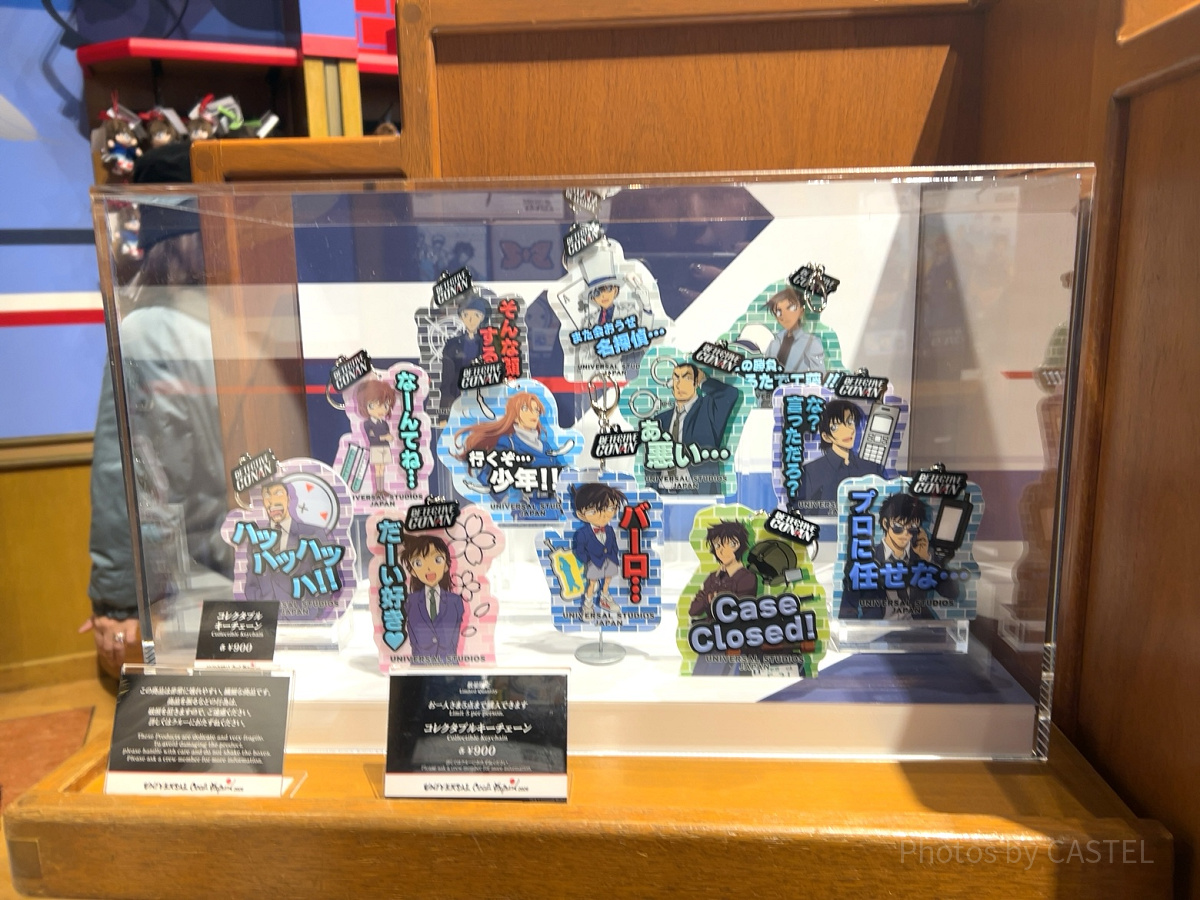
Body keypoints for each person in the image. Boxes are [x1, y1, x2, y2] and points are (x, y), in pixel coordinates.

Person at [84, 141, 230, 678]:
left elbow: (124, 474)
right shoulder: (251, 315)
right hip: (274, 572)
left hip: (190, 593)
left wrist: (119, 601)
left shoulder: (145, 330)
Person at [838, 493, 959, 620]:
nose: (905, 534)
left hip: (918, 627)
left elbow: (952, 593)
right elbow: (847, 608)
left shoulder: (921, 557)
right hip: (878, 628)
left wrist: (927, 558)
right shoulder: (866, 560)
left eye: (912, 529)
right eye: (898, 527)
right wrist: (856, 630)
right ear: (885, 523)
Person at [652, 363, 738, 493]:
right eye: (676, 378)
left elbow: (729, 394)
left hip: (697, 493)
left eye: (687, 378)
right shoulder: (660, 419)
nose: (680, 384)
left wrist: (704, 381)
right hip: (663, 491)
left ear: (696, 382)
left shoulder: (708, 410)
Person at [242, 481, 327, 602]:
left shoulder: (313, 534)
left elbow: (325, 579)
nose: (272, 501)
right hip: (268, 611)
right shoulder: (256, 539)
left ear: (289, 499)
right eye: (266, 495)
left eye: (278, 493)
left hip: (302, 611)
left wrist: (312, 610)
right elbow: (251, 585)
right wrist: (262, 605)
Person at [799, 400, 884, 505]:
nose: (848, 431)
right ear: (826, 437)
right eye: (835, 427)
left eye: (850, 422)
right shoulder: (810, 472)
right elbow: (799, 509)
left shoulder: (872, 468)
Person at [400, 535, 465, 663]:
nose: (429, 568)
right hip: (419, 667)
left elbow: (454, 636)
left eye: (437, 560)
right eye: (418, 563)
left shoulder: (455, 601)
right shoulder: (410, 602)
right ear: (412, 570)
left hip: (448, 666)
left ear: (446, 565)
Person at [569, 482, 627, 619]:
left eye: (610, 508)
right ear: (581, 514)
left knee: (608, 578)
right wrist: (588, 560)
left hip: (610, 559)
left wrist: (614, 556)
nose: (603, 515)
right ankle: (588, 604)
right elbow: (580, 550)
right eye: (594, 511)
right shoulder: (583, 533)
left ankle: (604, 596)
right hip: (594, 562)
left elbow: (613, 544)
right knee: (592, 583)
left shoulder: (609, 529)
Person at [689, 521, 758, 621]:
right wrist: (709, 597)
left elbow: (734, 611)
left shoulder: (747, 577)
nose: (720, 551)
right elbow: (693, 610)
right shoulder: (713, 577)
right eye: (717, 546)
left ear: (736, 545)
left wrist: (711, 597)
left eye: (727, 545)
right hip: (709, 628)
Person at [438, 293, 491, 415]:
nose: (471, 320)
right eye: (466, 315)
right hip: (458, 395)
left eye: (476, 315)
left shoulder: (488, 344)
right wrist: (444, 413)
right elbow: (447, 378)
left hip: (481, 395)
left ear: (482, 317)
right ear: (461, 317)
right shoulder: (452, 344)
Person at [765, 287, 825, 373]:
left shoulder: (812, 343)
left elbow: (820, 375)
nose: (784, 315)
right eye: (778, 311)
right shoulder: (774, 342)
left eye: (791, 308)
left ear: (801, 311)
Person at [354, 378, 396, 494]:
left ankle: (382, 489)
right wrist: (384, 437)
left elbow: (387, 433)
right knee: (378, 468)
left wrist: (390, 437)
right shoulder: (368, 424)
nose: (381, 410)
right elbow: (372, 438)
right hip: (376, 447)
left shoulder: (384, 423)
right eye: (374, 405)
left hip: (385, 447)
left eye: (385, 406)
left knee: (382, 468)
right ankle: (378, 490)